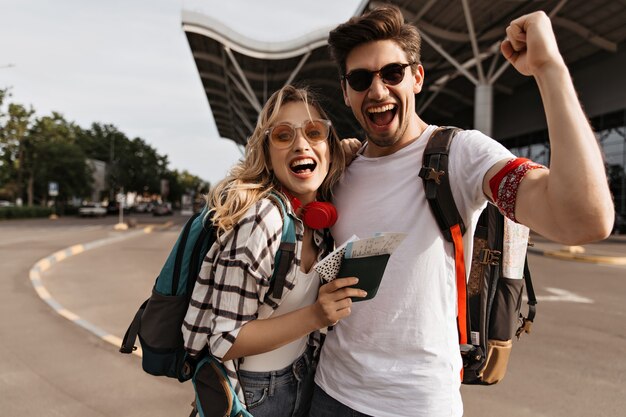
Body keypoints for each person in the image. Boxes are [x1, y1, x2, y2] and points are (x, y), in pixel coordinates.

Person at [310, 5, 614, 417]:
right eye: (361, 80)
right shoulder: (337, 168)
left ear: (417, 77)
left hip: (420, 403)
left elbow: (584, 219)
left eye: (392, 74)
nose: (378, 91)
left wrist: (549, 68)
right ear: (346, 91)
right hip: (331, 392)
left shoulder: (461, 155)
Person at [182, 85, 366, 417]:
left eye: (314, 132)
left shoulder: (317, 218)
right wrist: (316, 316)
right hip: (254, 393)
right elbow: (223, 340)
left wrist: (346, 153)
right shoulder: (262, 219)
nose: (300, 144)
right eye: (283, 136)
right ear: (267, 154)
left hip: (303, 374)